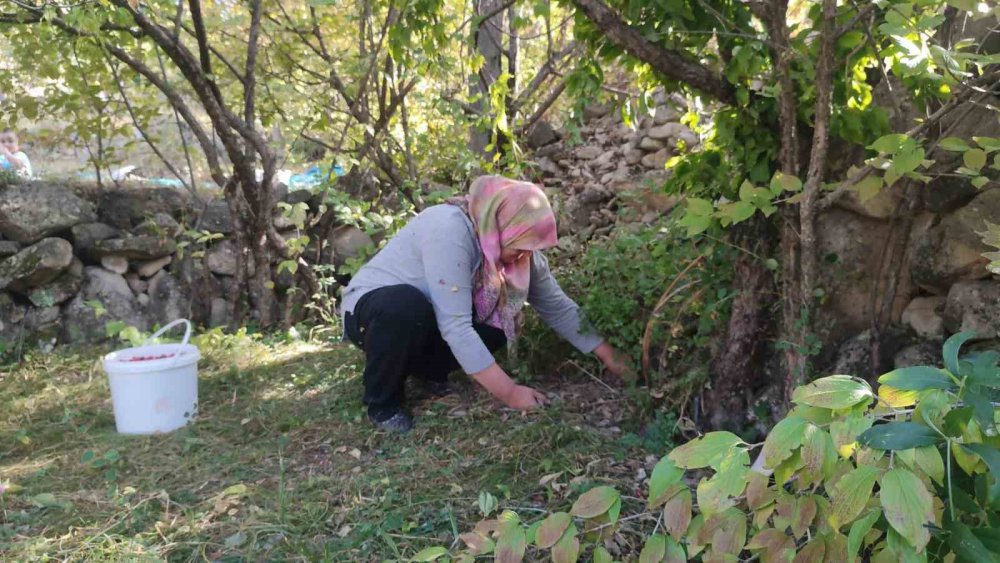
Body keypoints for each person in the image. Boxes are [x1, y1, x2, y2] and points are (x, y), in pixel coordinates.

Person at [341, 175, 630, 432]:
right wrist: (511, 393)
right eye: (519, 248)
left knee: (499, 324)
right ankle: (383, 403)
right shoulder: (449, 229)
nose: (523, 258)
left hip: (427, 317)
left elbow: (557, 305)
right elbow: (455, 326)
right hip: (374, 312)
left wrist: (609, 355)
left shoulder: (519, 248)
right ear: (501, 226)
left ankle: (425, 370)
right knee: (404, 306)